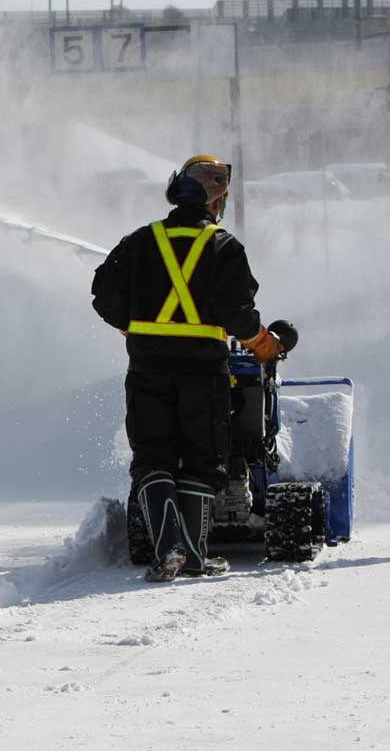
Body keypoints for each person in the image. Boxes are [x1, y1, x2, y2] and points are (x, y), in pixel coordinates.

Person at [91, 155, 283, 582]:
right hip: (203, 372)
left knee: (153, 456)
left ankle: (168, 551)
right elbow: (238, 316)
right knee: (201, 458)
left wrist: (134, 328)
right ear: (217, 200)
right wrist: (261, 343)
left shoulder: (140, 241)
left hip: (147, 367)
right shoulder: (225, 247)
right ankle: (193, 555)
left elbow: (103, 295)